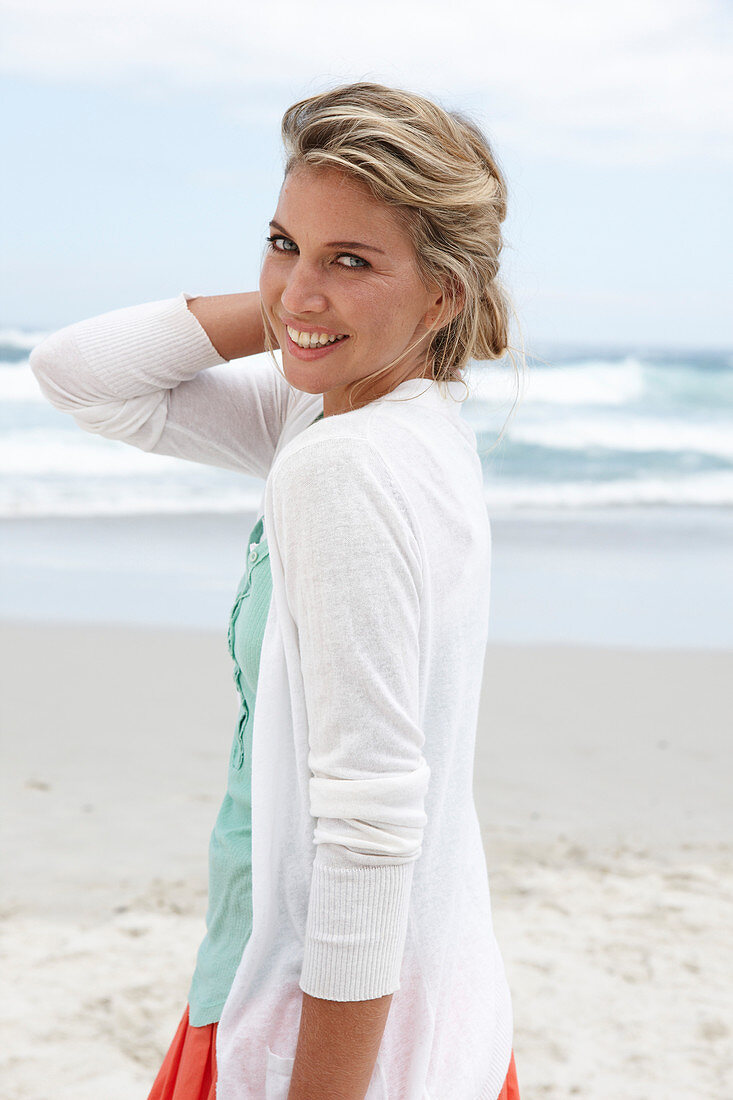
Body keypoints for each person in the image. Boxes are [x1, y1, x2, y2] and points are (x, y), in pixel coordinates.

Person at [30, 82, 522, 1100]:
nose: (297, 288)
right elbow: (78, 372)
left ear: (443, 295)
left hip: (311, 1027)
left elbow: (369, 823)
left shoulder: (340, 466)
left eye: (352, 258)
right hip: (431, 999)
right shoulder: (389, 421)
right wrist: (304, 310)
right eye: (283, 242)